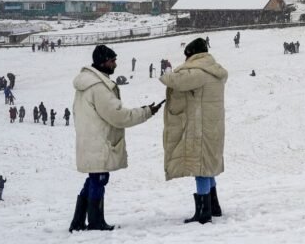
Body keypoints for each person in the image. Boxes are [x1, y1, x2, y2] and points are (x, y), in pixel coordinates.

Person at [68, 45, 162, 232]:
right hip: (99, 142)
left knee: (94, 178)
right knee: (98, 179)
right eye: (112, 61)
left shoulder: (85, 84)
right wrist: (146, 112)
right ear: (103, 62)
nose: (115, 64)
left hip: (90, 140)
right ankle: (95, 222)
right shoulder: (98, 87)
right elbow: (118, 116)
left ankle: (78, 222)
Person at [159, 38, 228, 224]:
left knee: (200, 168)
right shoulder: (213, 70)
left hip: (202, 128)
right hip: (212, 127)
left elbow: (174, 81)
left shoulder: (199, 72)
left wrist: (166, 70)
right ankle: (214, 206)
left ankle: (204, 212)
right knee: (207, 167)